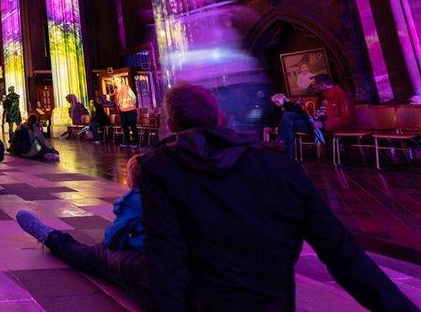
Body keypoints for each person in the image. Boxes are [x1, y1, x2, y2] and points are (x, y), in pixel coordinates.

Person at [139, 84, 412, 310]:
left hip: (203, 303)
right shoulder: (281, 167)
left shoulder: (161, 169)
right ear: (220, 117)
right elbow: (343, 254)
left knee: (120, 264)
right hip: (274, 304)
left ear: (171, 124)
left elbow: (165, 263)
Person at [16, 154, 148, 307]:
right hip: (170, 263)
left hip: (144, 262)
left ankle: (50, 235)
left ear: (131, 181)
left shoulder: (136, 200)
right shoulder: (174, 196)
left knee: (88, 255)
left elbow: (112, 239)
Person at [264, 93, 316, 159]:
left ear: (282, 100)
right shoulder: (278, 109)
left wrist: (287, 103)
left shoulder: (290, 105)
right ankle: (289, 158)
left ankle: (280, 141)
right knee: (289, 130)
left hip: (303, 122)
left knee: (287, 115)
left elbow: (298, 112)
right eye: (275, 102)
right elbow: (277, 120)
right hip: (293, 125)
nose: (276, 104)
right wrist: (274, 127)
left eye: (277, 101)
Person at [115, 80, 138, 146]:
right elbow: (118, 101)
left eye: (116, 81)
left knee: (132, 126)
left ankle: (135, 141)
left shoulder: (126, 87)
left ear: (120, 82)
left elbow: (133, 97)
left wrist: (132, 105)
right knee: (126, 126)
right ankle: (128, 141)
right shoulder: (117, 91)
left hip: (129, 109)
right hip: (124, 110)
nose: (115, 83)